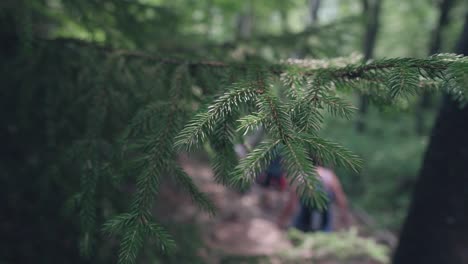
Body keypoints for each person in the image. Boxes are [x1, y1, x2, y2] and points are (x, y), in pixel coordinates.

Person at [277, 165, 351, 232]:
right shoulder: (329, 175)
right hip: (323, 202)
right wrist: (345, 217)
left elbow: (292, 202)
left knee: (300, 225)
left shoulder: (302, 174)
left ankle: (300, 230)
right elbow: (340, 198)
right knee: (325, 225)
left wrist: (282, 219)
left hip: (309, 200)